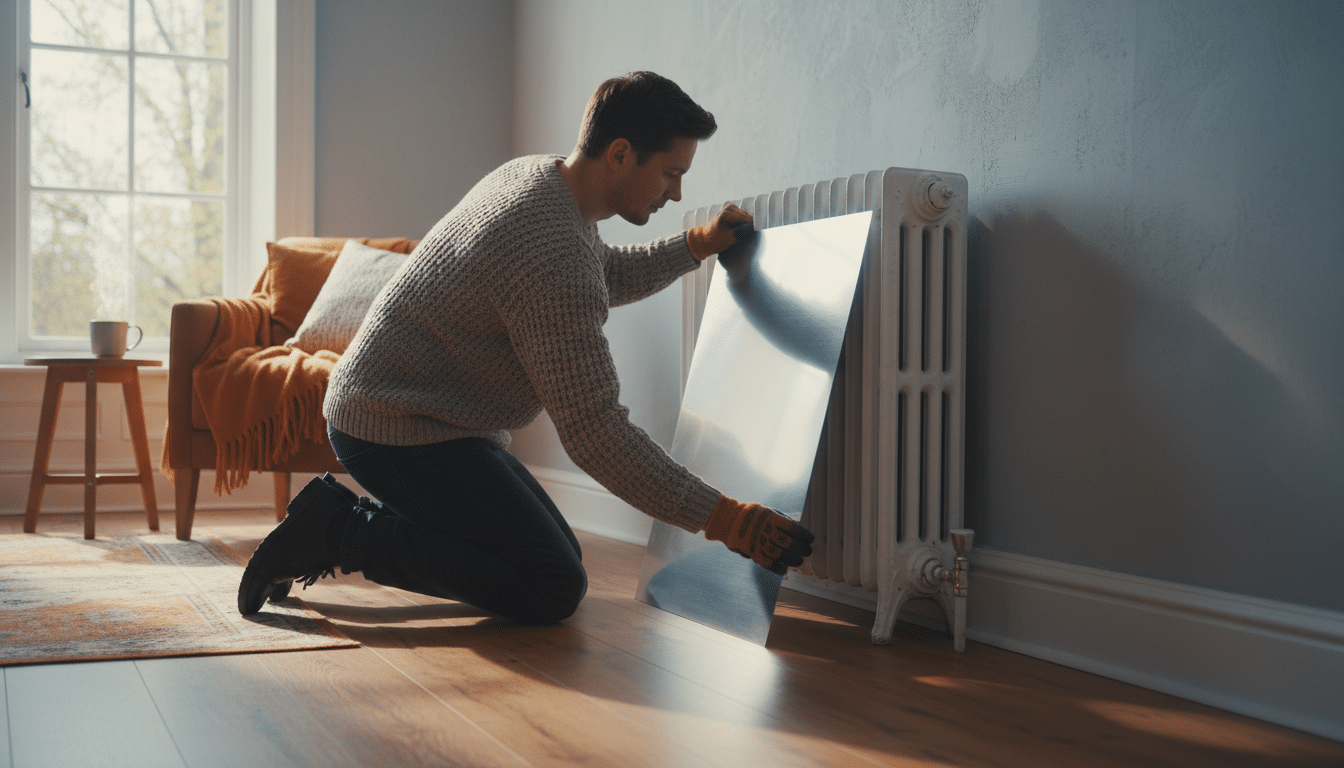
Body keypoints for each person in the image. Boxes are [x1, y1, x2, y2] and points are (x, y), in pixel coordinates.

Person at [238, 71, 813, 622]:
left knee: (559, 556)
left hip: (429, 418)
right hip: (389, 427)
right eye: (669, 173)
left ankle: (354, 523)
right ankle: (339, 531)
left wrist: (694, 245)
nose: (677, 191)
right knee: (550, 584)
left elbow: (601, 274)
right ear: (619, 153)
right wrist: (726, 519)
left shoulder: (544, 182)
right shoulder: (548, 247)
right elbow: (597, 434)